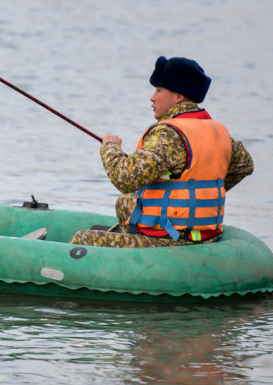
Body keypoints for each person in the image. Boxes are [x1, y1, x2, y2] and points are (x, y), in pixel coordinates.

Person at [70, 56, 253, 248]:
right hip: (205, 235)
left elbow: (125, 179)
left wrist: (110, 147)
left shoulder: (168, 134)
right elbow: (244, 165)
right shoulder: (218, 131)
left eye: (158, 90)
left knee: (81, 239)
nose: (152, 97)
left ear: (178, 97)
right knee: (126, 202)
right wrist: (202, 196)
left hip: (172, 238)